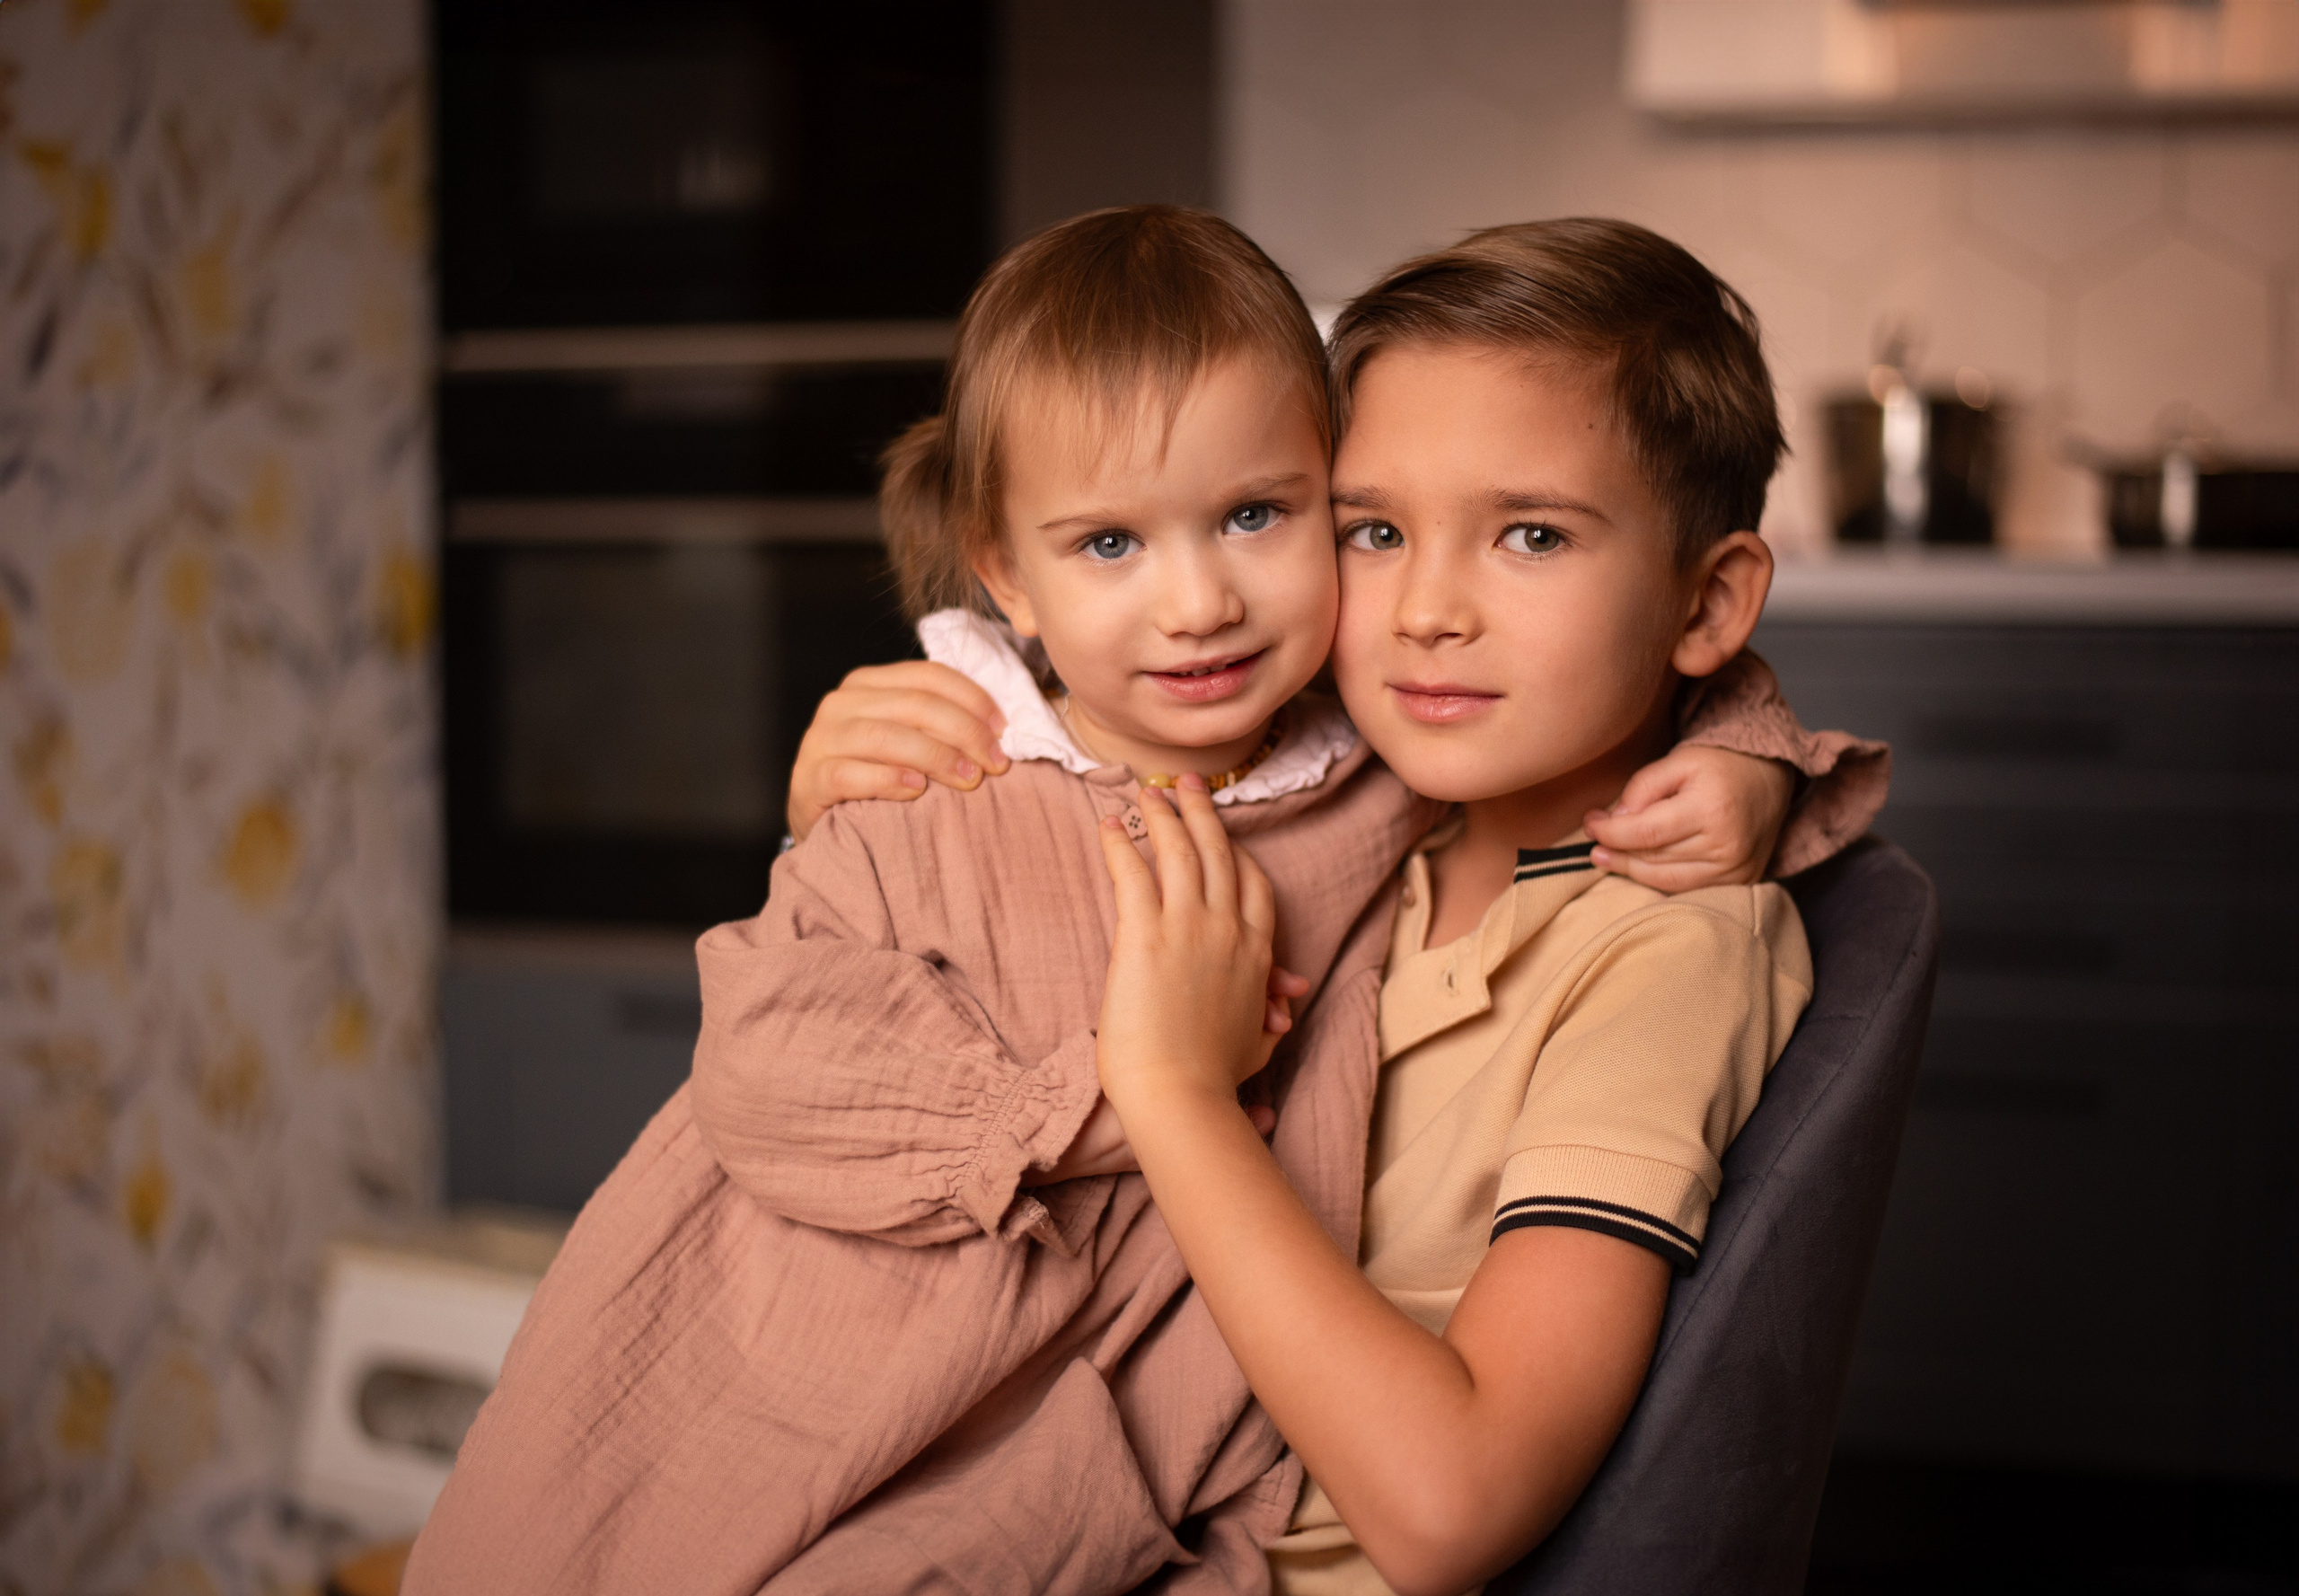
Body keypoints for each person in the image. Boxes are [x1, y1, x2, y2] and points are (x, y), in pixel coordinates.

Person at [405, 208, 1875, 1596]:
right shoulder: (1387, 788)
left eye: (1531, 535)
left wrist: (1167, 1085)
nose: (1429, 607)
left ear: (1707, 602)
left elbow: (1447, 1511)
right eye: (1373, 530)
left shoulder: (1646, 933)